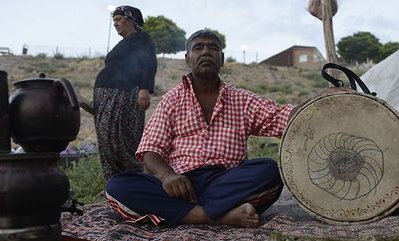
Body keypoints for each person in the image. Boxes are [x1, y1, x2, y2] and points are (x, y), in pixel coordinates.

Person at [105, 29, 335, 228]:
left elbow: (285, 118)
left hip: (226, 182)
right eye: (198, 48)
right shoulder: (171, 100)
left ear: (222, 59)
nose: (206, 52)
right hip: (180, 184)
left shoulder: (242, 100)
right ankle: (215, 216)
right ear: (187, 58)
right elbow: (151, 151)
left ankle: (184, 213)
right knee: (118, 186)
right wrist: (167, 176)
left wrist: (322, 101)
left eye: (213, 48)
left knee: (269, 171)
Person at [93, 6, 157, 180]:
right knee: (106, 141)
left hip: (124, 92)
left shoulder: (142, 39)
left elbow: (149, 63)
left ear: (131, 19)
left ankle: (139, 178)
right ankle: (116, 182)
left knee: (120, 140)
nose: (115, 24)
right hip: (107, 95)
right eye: (114, 20)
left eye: (119, 19)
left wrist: (145, 89)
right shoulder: (123, 43)